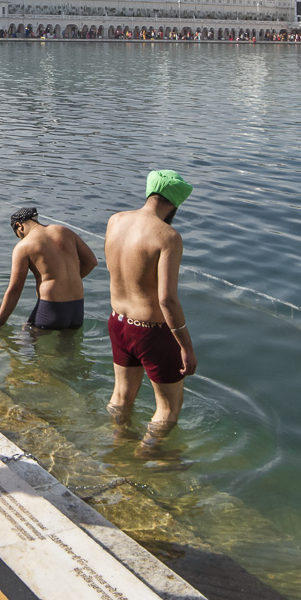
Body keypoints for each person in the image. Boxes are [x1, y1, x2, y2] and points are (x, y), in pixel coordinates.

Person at [104, 170, 197, 436]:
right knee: (168, 410)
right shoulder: (168, 236)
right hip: (151, 331)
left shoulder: (115, 221)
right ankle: (145, 459)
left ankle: (117, 446)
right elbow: (166, 300)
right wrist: (186, 347)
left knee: (121, 398)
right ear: (175, 203)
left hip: (118, 322)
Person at [0, 207, 96, 332]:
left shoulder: (24, 246)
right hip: (77, 309)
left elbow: (15, 289)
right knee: (68, 349)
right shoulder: (64, 231)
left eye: (19, 235)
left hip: (51, 308)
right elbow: (91, 262)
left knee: (26, 341)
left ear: (19, 226)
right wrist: (65, 281)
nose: (21, 239)